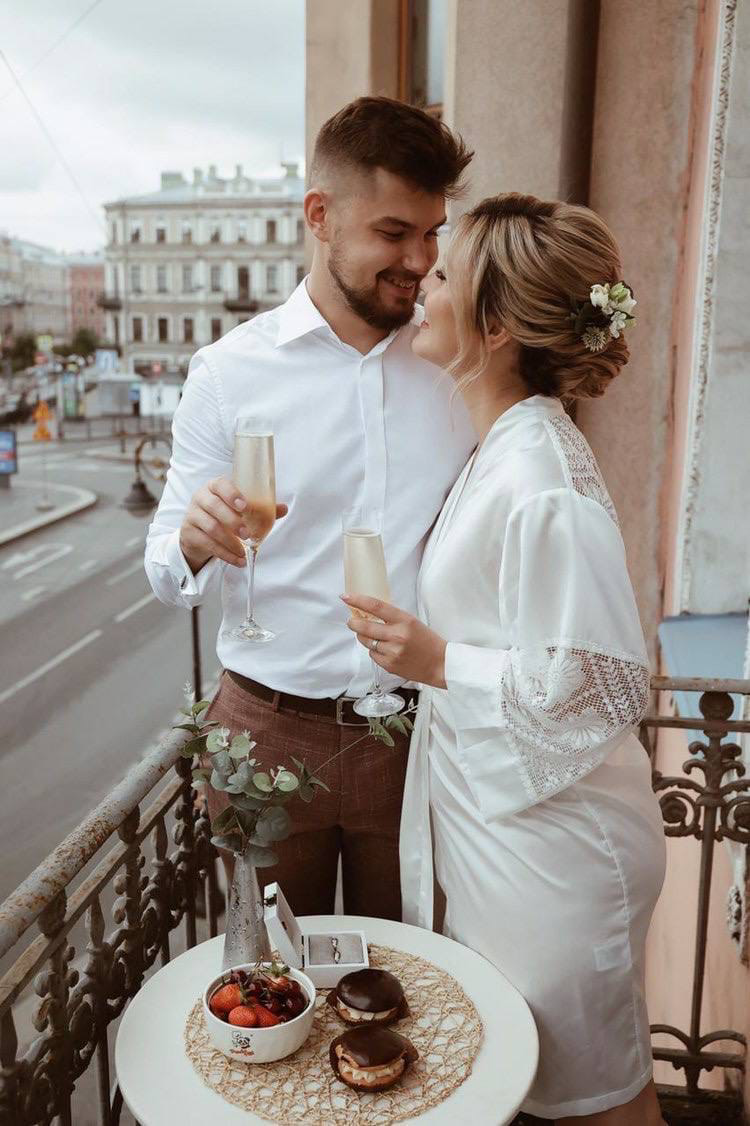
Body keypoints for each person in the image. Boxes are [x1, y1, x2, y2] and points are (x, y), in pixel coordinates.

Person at [344, 194, 667, 1124]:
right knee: (527, 1084)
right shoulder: (505, 446)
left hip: (556, 860)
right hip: (510, 835)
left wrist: (439, 659)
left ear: (494, 324)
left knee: (598, 1097)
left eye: (443, 274)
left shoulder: (539, 479)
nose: (421, 284)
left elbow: (598, 686)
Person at [144, 96, 475, 920]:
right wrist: (191, 540)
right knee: (276, 982)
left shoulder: (454, 359)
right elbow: (161, 563)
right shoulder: (227, 372)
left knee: (400, 980)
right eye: (393, 233)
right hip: (265, 733)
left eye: (432, 234)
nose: (417, 259)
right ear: (320, 216)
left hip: (415, 736)